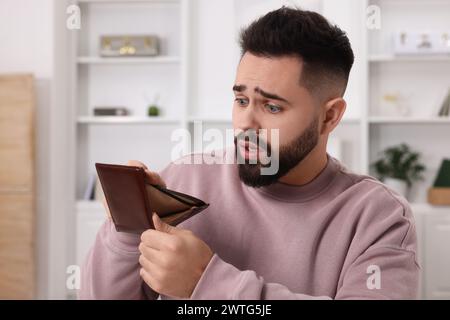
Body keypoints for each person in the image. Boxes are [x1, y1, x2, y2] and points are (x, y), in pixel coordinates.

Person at [80, 7, 419, 300]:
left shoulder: (379, 216)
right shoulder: (184, 178)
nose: (245, 123)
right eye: (241, 100)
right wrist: (128, 230)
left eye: (272, 106)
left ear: (329, 116)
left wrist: (205, 283)